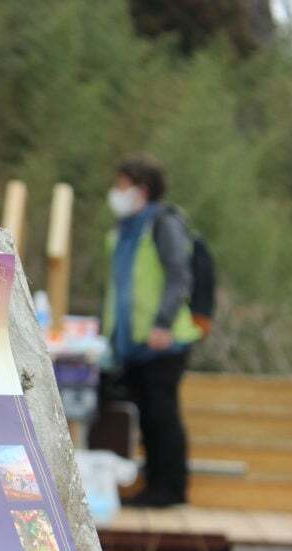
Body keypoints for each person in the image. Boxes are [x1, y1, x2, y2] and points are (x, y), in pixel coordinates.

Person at [101, 155, 201, 508]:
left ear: (141, 190)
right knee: (148, 418)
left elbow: (178, 276)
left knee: (162, 416)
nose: (116, 192)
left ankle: (170, 489)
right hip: (134, 343)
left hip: (163, 340)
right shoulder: (125, 230)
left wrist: (162, 323)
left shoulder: (162, 224)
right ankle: (156, 486)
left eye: (122, 185)